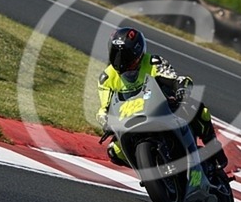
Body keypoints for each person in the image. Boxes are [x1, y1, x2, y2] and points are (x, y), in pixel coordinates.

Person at [97, 26, 228, 169]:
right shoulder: (106, 78)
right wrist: (106, 121)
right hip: (130, 120)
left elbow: (175, 79)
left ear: (139, 53)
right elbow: (104, 108)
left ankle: (213, 146)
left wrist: (181, 89)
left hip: (162, 109)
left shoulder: (154, 62)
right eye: (117, 55)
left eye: (128, 56)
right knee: (114, 151)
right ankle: (149, 169)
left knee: (195, 107)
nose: (122, 61)